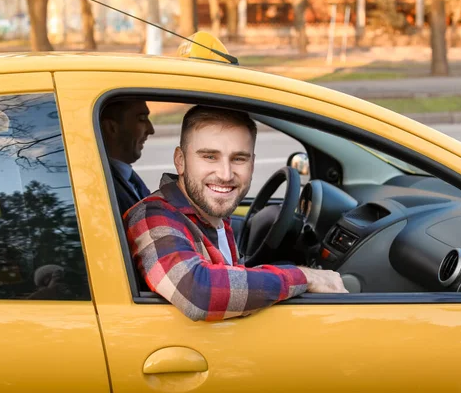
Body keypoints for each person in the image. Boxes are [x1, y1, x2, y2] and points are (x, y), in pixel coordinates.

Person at [124, 105, 347, 322]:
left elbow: (228, 275)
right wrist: (306, 277)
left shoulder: (213, 214)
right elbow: (198, 291)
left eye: (239, 158)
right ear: (180, 161)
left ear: (252, 163)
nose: (226, 174)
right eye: (210, 157)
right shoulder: (151, 216)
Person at [101, 100, 155, 216]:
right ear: (111, 128)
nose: (151, 130)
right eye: (142, 119)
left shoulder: (124, 176)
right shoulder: (104, 187)